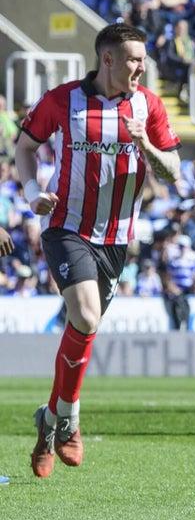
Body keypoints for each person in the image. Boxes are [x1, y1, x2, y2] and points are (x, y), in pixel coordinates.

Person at [15, 23, 182, 478]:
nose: (140, 67)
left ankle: (50, 420)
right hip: (67, 227)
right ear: (106, 59)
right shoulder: (62, 99)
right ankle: (70, 420)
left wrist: (145, 142)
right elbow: (25, 147)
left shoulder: (148, 106)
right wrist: (33, 191)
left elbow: (172, 171)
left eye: (142, 59)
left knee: (82, 327)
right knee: (86, 317)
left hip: (117, 239)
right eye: (132, 59)